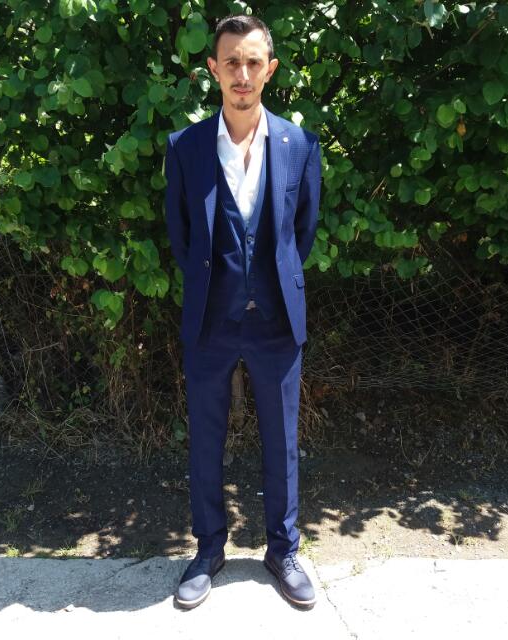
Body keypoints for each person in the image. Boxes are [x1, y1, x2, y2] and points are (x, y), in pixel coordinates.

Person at [164, 13, 322, 610]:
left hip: (276, 320)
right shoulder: (186, 148)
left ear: (270, 70)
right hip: (211, 319)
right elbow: (182, 236)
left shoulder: (299, 145)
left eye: (253, 62)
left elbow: (300, 234)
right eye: (231, 61)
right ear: (213, 69)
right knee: (205, 440)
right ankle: (208, 549)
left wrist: (268, 282)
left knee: (282, 443)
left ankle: (283, 551)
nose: (243, 74)